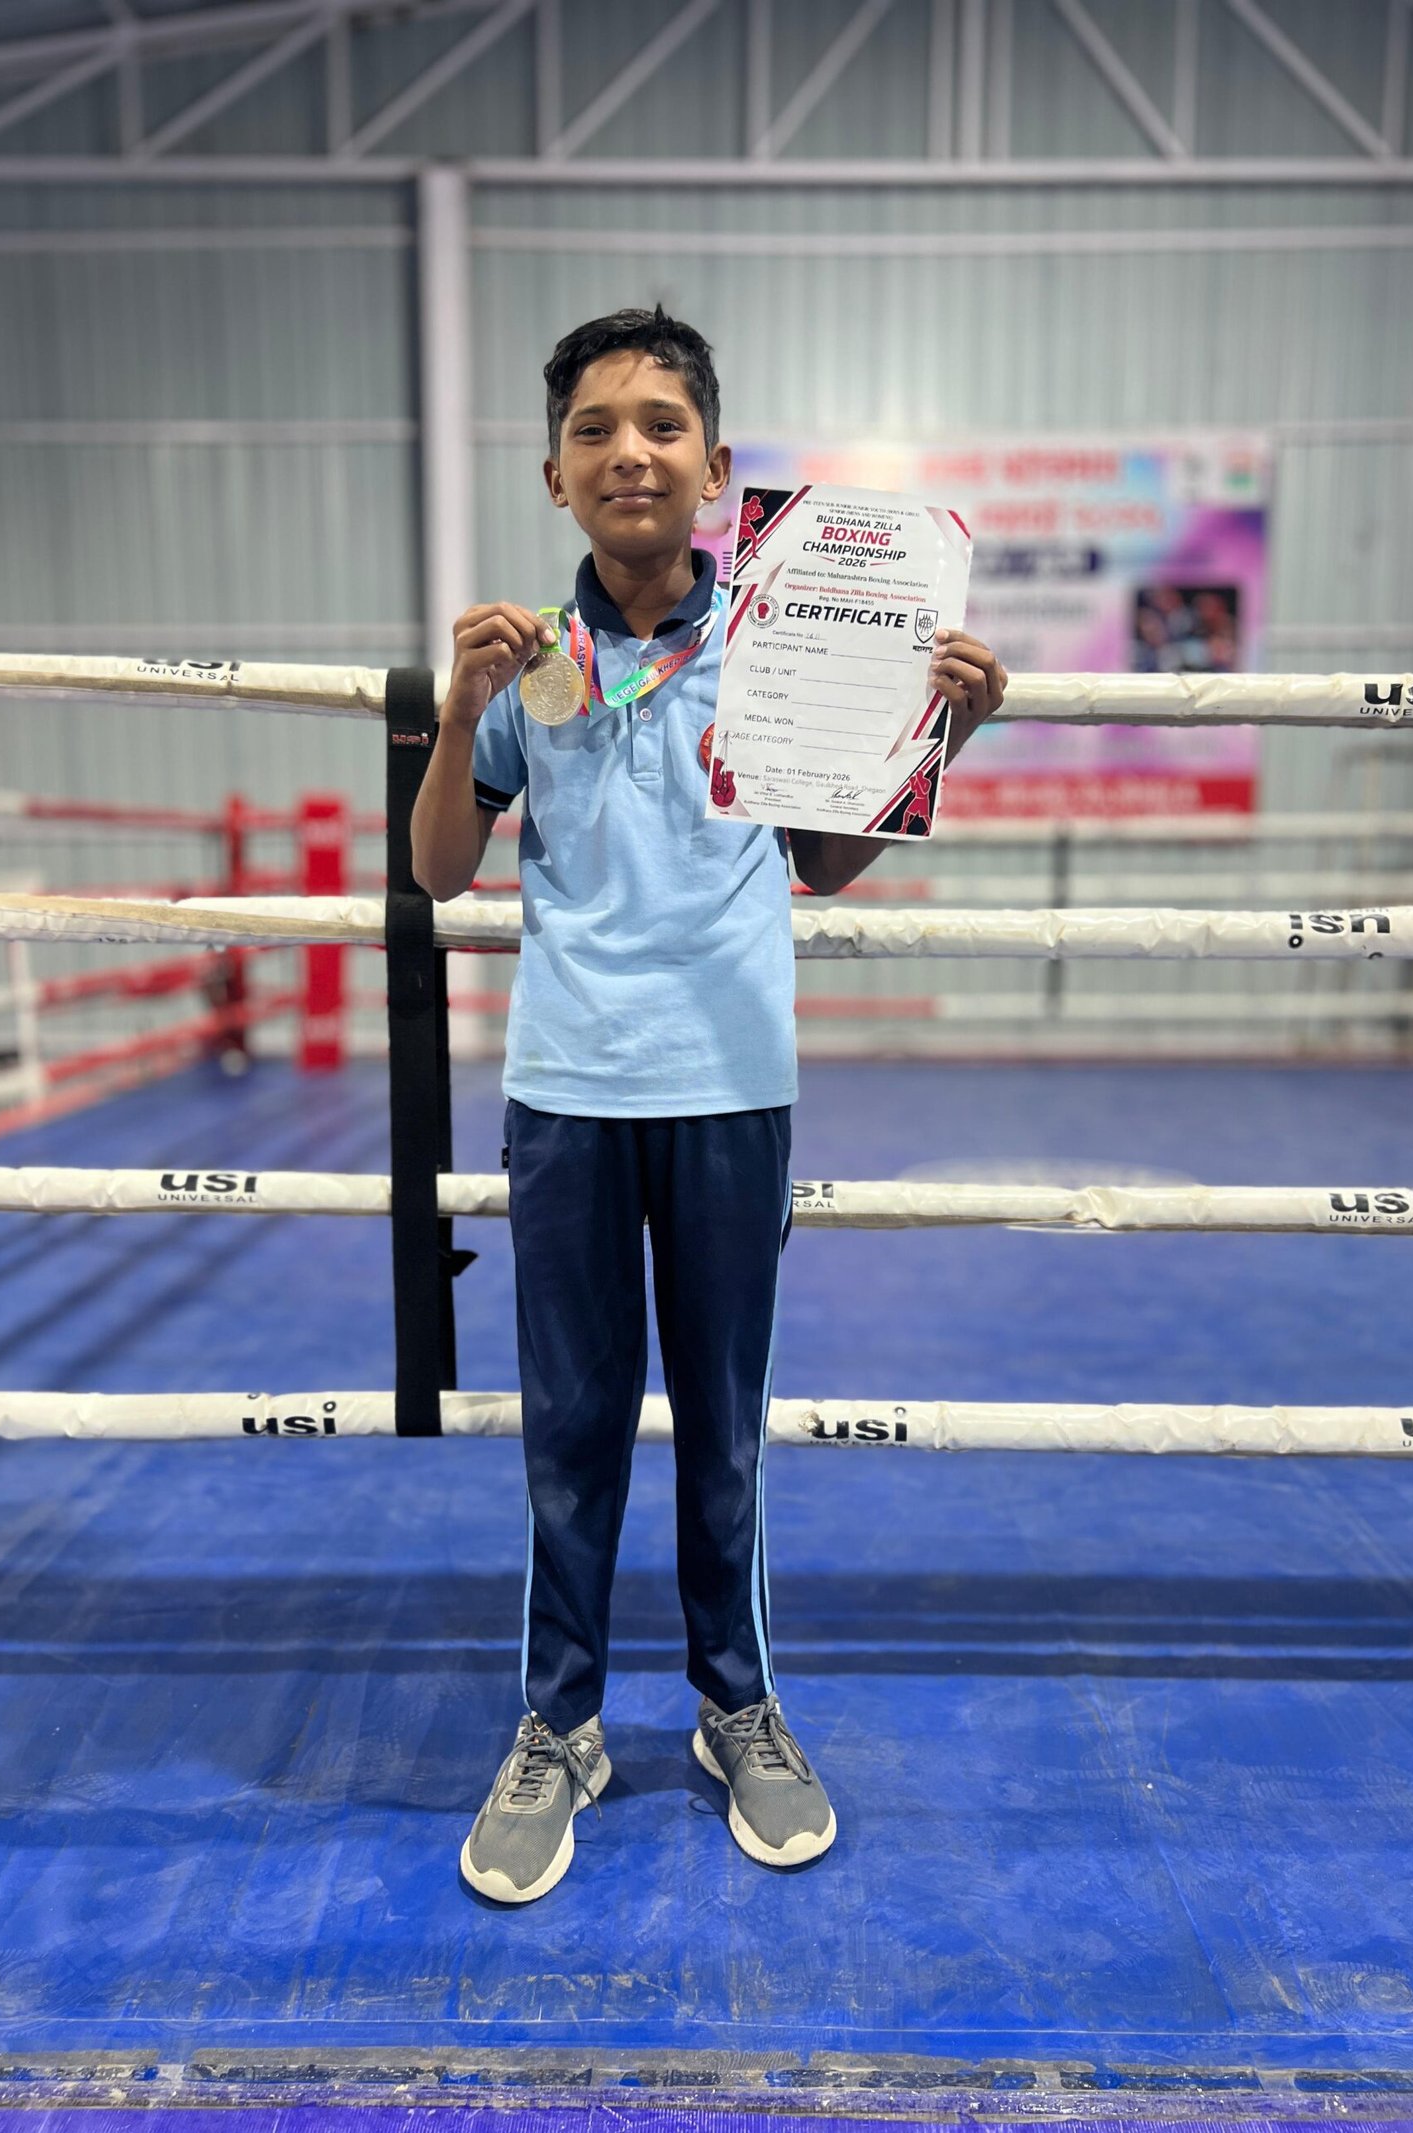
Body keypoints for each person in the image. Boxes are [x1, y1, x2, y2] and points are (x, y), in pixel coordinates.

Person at [410, 306, 1007, 1905]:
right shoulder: (522, 658)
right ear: (554, 473)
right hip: (569, 1089)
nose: (631, 451)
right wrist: (458, 712)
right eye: (596, 428)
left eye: (662, 424)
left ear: (719, 465)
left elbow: (826, 859)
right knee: (571, 1429)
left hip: (735, 1085)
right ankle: (560, 1722)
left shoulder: (788, 638)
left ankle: (735, 1703)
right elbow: (440, 868)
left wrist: (939, 728)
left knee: (725, 1428)